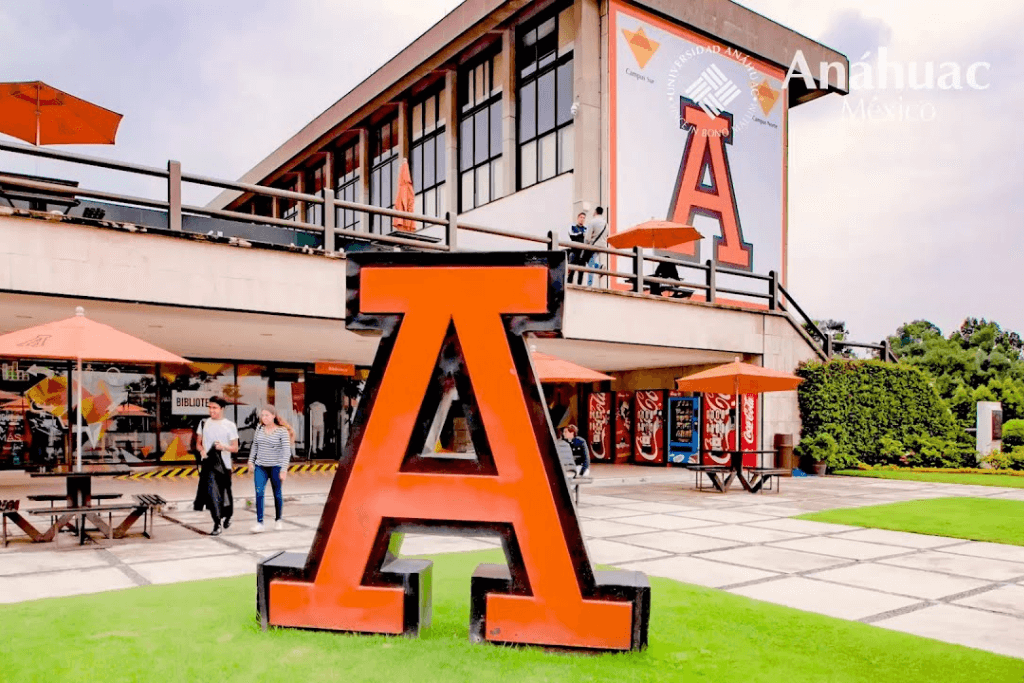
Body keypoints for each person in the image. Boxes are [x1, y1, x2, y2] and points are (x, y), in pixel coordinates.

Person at [194, 396, 238, 536]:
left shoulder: (230, 425)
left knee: (225, 494)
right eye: (210, 407)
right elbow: (198, 443)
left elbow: (235, 448)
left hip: (224, 466)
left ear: (222, 409)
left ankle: (228, 515)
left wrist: (223, 447)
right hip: (209, 465)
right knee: (212, 494)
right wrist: (201, 451)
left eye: (214, 408)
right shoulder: (203, 423)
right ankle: (217, 523)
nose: (211, 410)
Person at [247, 405, 294, 533]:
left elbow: (286, 452)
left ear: (274, 416)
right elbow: (255, 446)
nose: (264, 418)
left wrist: (284, 470)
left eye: (267, 415)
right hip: (261, 466)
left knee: (277, 493)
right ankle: (259, 522)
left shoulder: (282, 431)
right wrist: (251, 461)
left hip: (276, 467)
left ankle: (278, 519)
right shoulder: (259, 428)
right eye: (262, 415)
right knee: (259, 492)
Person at [583, 207, 608, 287]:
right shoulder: (605, 224)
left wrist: (585, 245)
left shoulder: (593, 221)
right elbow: (607, 235)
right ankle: (600, 266)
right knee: (591, 261)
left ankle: (589, 284)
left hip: (594, 245)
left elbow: (587, 237)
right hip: (602, 246)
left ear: (596, 212)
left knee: (590, 263)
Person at [567, 211, 588, 285]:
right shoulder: (573, 227)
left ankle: (580, 286)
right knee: (572, 269)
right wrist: (581, 234)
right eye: (581, 217)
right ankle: (569, 284)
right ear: (578, 218)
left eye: (584, 218)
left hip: (582, 252)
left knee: (581, 271)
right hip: (575, 251)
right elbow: (572, 235)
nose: (582, 219)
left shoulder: (586, 229)